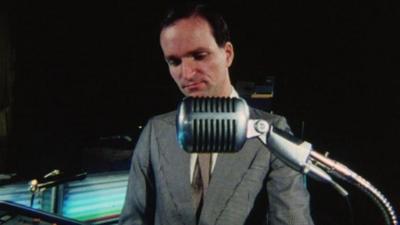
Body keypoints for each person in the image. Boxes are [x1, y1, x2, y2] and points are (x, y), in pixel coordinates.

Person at [119, 2, 314, 225]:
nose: (187, 73)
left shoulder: (271, 132)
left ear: (228, 54)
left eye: (199, 56)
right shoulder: (156, 131)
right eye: (174, 61)